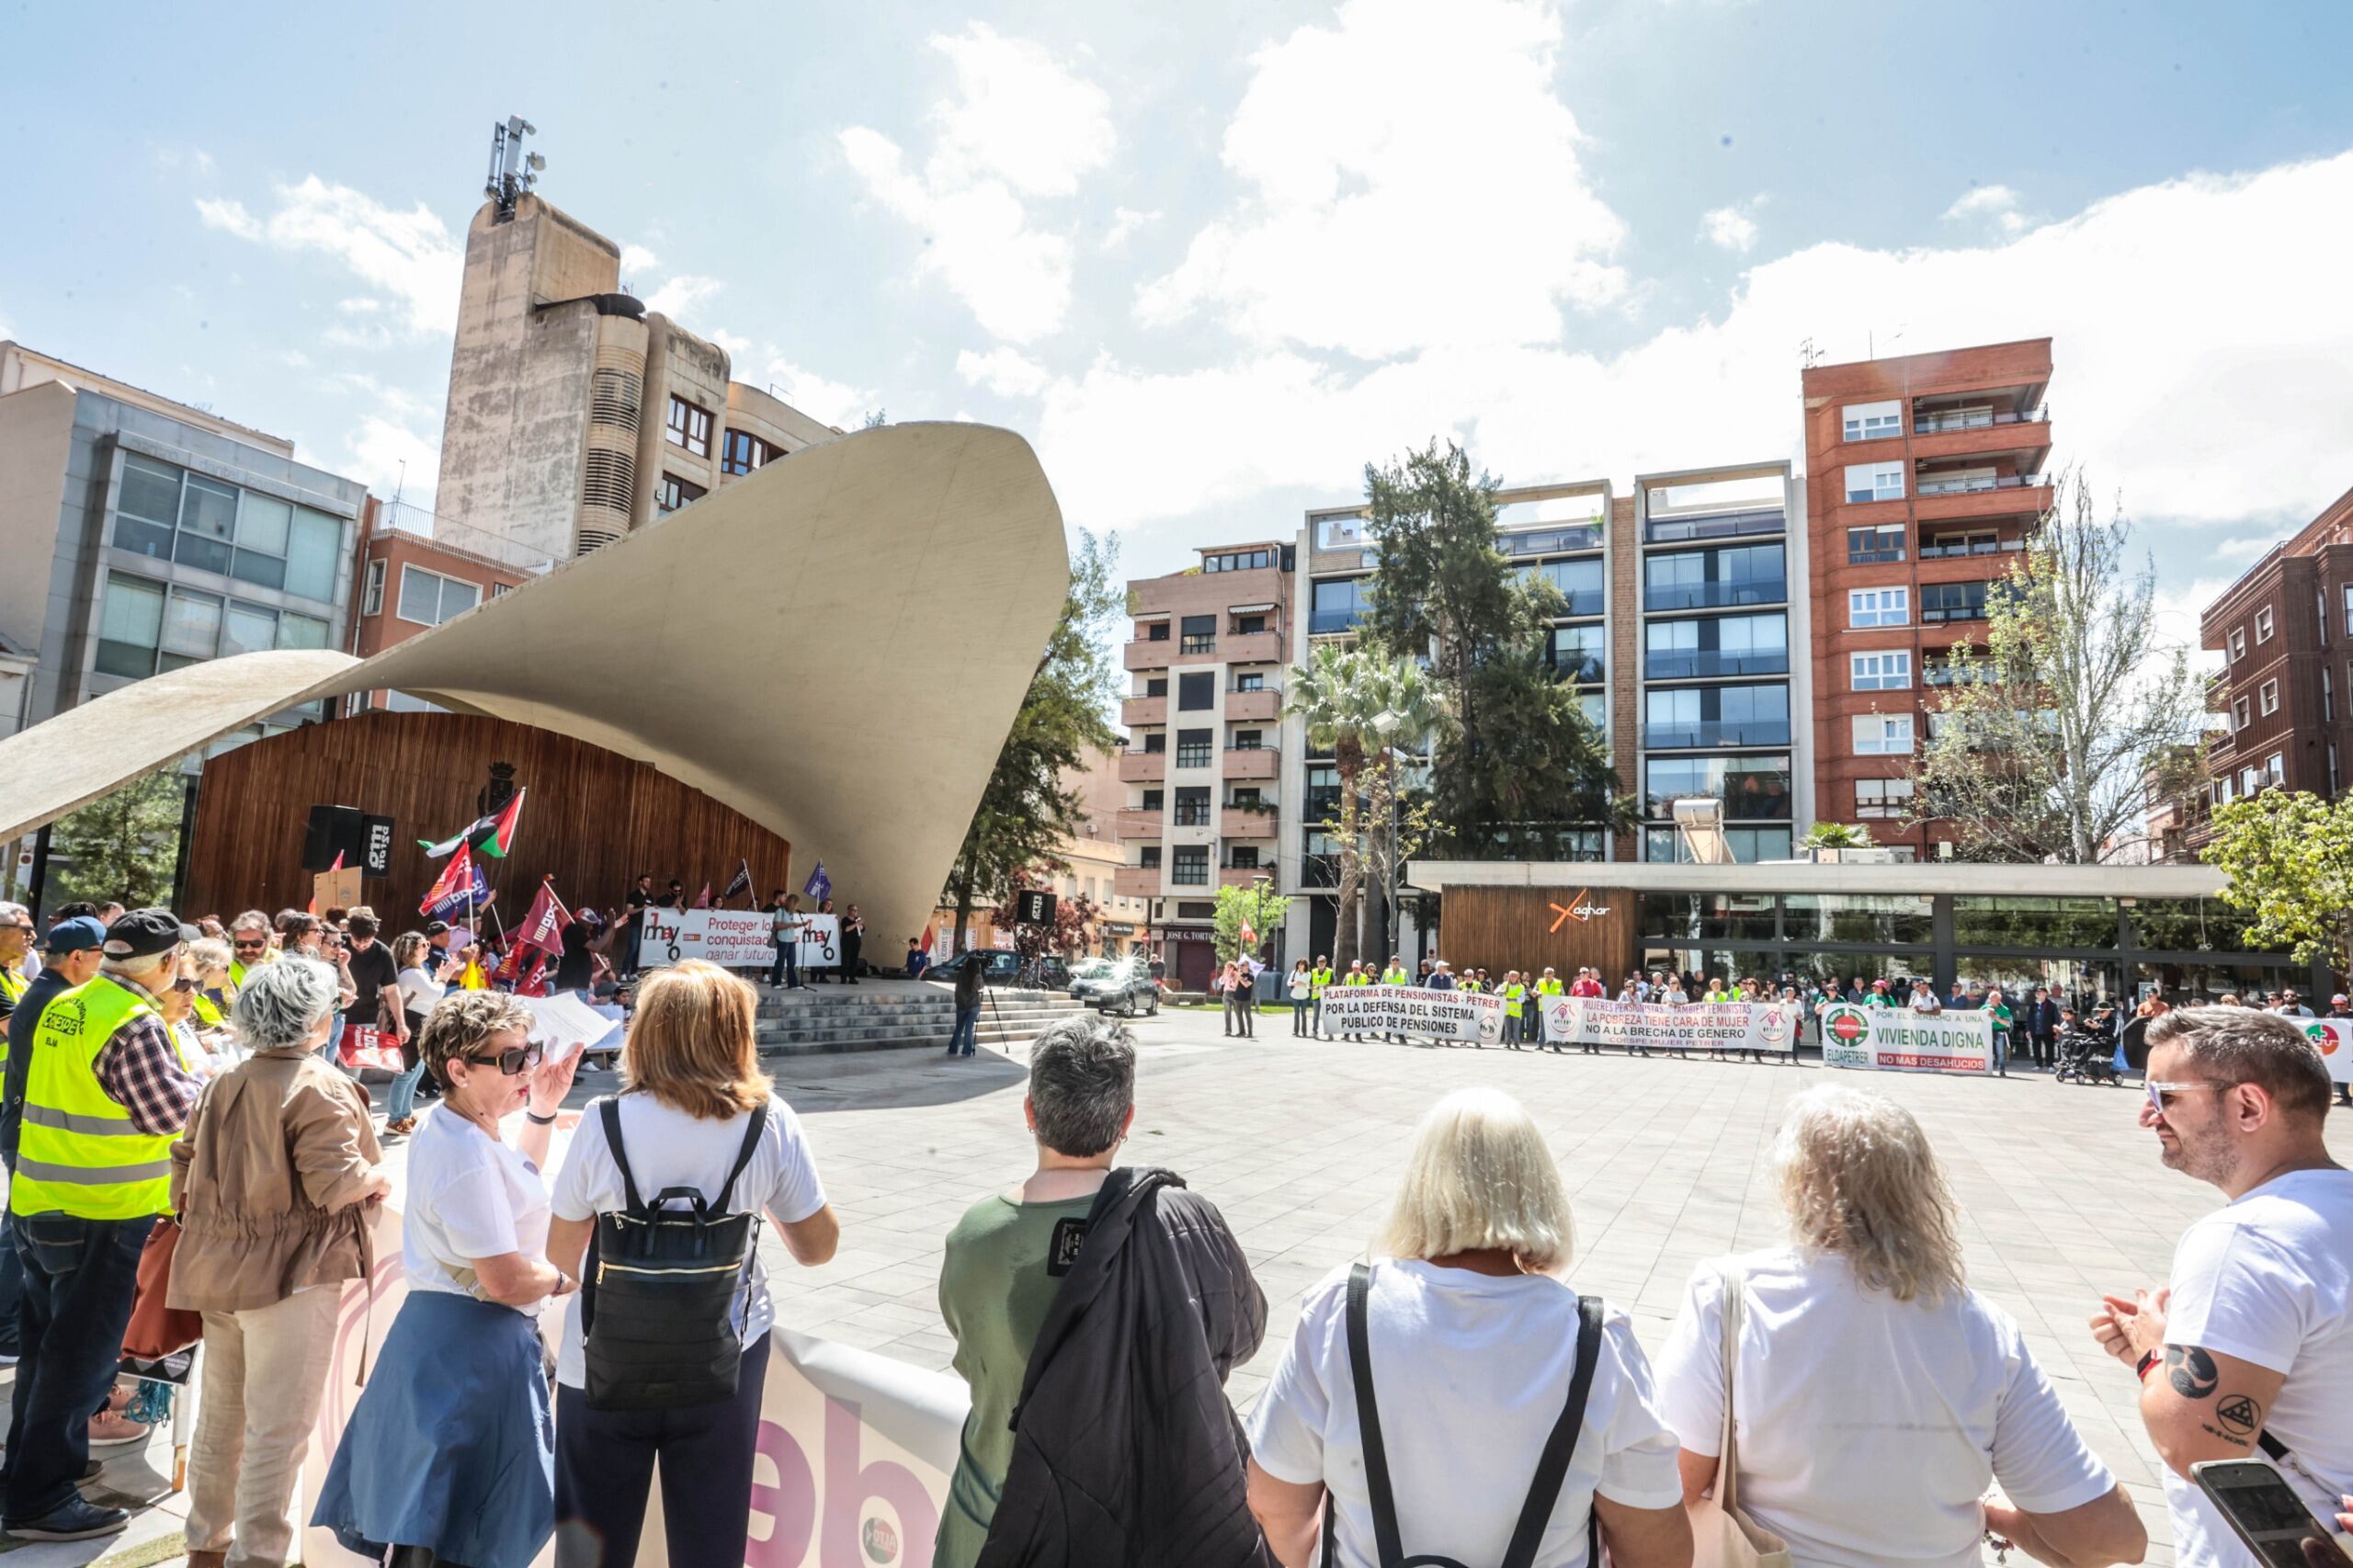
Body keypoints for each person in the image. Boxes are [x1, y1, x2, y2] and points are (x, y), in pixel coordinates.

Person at [1655, 1085, 2143, 1568]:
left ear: (1795, 1184)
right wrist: (1989, 1514)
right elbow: (2110, 1540)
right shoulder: (1984, 1329)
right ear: (1921, 1188)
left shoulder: (1729, 1295)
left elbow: (1669, 1487)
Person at [1246, 1087, 1691, 1567]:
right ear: (1538, 1191)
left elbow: (1276, 1506)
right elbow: (1659, 1553)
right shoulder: (1597, 1341)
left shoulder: (1340, 1313)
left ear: (1420, 1187)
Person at [934, 1015, 1265, 1567]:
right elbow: (1244, 1334)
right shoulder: (1186, 1223)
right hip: (1137, 1528)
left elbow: (975, 1362)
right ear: (1127, 1120)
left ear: (1030, 1113)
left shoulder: (975, 1236)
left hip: (990, 1526)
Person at [543, 960, 839, 1568]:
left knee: (588, 1551)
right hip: (721, 1360)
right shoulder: (769, 1121)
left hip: (603, 1362)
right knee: (710, 1545)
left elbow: (561, 1254)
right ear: (736, 1034)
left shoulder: (604, 1121)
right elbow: (818, 1248)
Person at [311, 990, 583, 1568]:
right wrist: (565, 1278)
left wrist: (541, 1111)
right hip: (470, 1351)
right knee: (452, 1527)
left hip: (454, 1344)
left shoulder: (465, 1129)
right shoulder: (464, 1149)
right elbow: (506, 1279)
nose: (528, 1067)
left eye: (529, 1052)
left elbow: (518, 1185)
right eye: (511, 1059)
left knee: (440, 1518)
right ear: (458, 1069)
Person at [2088, 1006, 2353, 1566]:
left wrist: (2152, 1354)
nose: (2148, 1116)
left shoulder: (2246, 1239)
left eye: (2166, 1096)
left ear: (2248, 1106)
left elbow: (2196, 1446)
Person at [172, 957, 392, 1568]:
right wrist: (379, 1175)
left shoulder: (225, 1077)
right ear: (317, 1020)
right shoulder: (318, 1083)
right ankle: (258, 1557)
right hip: (291, 1275)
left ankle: (205, 1549)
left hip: (217, 1267)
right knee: (276, 1434)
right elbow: (337, 1184)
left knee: (222, 1423)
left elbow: (182, 1167)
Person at [4, 908, 203, 1541]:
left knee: (45, 1351)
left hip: (40, 1201)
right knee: (81, 1363)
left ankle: (31, 1472)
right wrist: (212, 1084)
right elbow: (169, 1114)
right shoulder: (133, 1022)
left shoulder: (73, 996)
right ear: (169, 963)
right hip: (99, 1217)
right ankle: (39, 1496)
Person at [947, 950, 984, 1058]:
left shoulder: (961, 974)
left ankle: (953, 1049)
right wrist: (980, 972)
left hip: (962, 1005)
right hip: (974, 1005)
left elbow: (957, 989)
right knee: (969, 1029)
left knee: (959, 1028)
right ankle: (967, 1050)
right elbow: (981, 987)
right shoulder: (977, 976)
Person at [766, 891, 803, 990]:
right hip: (782, 939)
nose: (796, 906)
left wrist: (801, 925)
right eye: (796, 904)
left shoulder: (790, 913)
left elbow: (790, 925)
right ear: (792, 903)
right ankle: (776, 983)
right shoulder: (780, 911)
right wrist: (791, 924)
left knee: (792, 962)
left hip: (791, 940)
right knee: (780, 961)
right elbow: (777, 925)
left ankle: (793, 984)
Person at [838, 903, 866, 984]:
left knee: (854, 961)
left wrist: (861, 925)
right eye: (853, 910)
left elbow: (862, 930)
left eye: (856, 910)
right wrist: (856, 924)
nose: (855, 912)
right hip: (847, 943)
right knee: (845, 960)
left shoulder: (857, 919)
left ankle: (852, 978)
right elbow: (847, 929)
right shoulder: (845, 920)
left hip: (856, 943)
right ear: (849, 911)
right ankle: (843, 978)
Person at [1310, 955, 1334, 1040]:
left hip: (1326, 997)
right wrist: (1314, 987)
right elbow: (1310, 984)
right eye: (1320, 962)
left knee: (1327, 1016)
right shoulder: (1313, 972)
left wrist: (1328, 986)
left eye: (1323, 962)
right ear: (1317, 963)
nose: (1321, 963)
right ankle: (1314, 1031)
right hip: (1316, 996)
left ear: (1326, 963)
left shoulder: (1330, 972)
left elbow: (1333, 983)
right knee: (1315, 1016)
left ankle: (1330, 1033)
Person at [1288, 960, 1313, 1037]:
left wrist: (1303, 984)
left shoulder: (1308, 974)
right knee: (1296, 1014)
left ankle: (1304, 1032)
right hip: (1295, 996)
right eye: (1299, 964)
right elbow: (1288, 983)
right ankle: (1295, 1031)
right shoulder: (1294, 972)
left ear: (1305, 966)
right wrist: (1295, 983)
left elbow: (1309, 986)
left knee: (1303, 1014)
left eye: (1302, 965)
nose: (1300, 966)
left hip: (1304, 996)